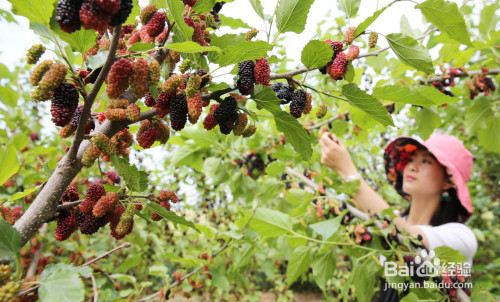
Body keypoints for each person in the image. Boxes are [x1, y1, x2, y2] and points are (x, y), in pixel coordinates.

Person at [319, 133, 478, 300]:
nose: (411, 167)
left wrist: (347, 170)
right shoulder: (390, 219)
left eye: (426, 161)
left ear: (448, 180)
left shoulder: (461, 236)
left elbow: (406, 236)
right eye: (411, 159)